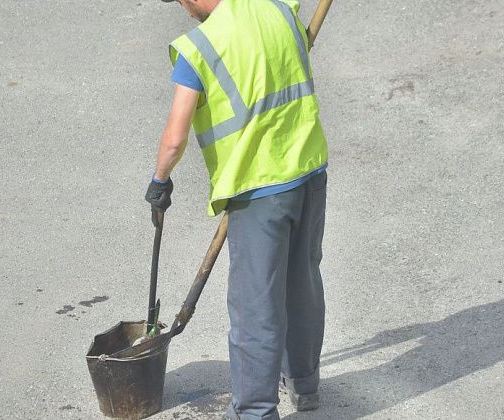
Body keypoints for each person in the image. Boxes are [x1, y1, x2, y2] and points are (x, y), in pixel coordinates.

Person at [144, 0, 329, 418]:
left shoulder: (200, 46)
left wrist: (159, 180)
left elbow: (175, 138)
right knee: (302, 284)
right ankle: (304, 384)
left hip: (257, 189)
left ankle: (254, 411)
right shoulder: (278, 8)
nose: (186, 12)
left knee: (255, 306)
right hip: (309, 170)